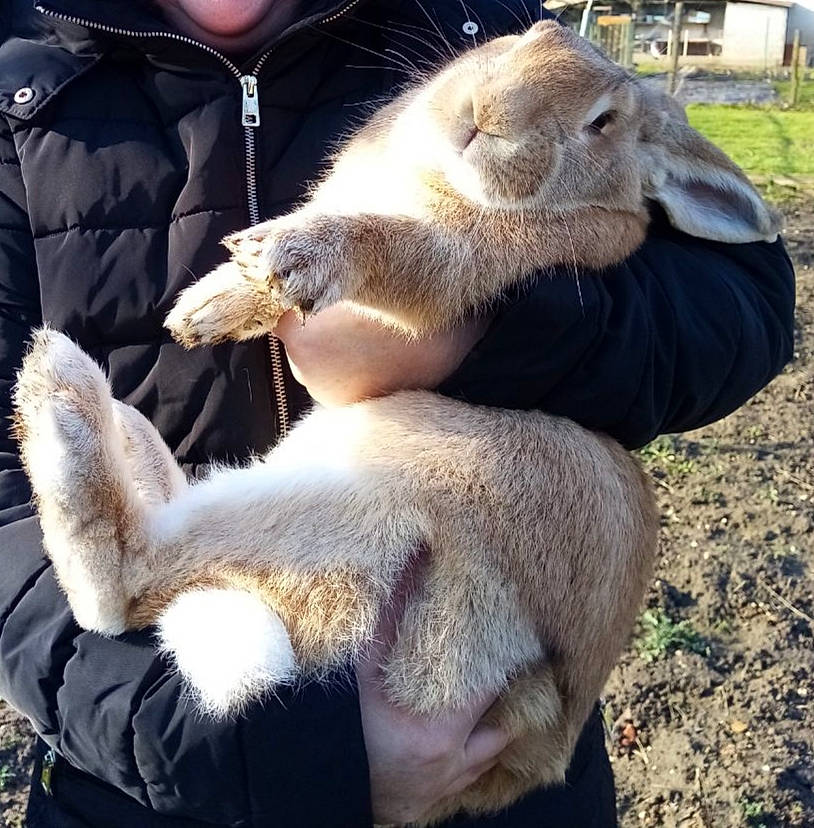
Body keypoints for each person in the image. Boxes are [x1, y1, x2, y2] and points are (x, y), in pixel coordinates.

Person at [0, 0, 795, 826]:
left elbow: (747, 304)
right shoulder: (18, 62)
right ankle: (148, 562)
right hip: (147, 771)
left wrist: (477, 333)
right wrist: (273, 753)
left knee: (502, 472)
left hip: (478, 707)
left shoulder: (463, 12)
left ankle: (153, 556)